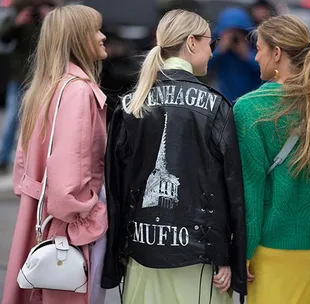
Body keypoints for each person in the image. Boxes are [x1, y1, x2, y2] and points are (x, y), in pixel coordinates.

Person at [101, 9, 246, 304]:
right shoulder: (216, 106)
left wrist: (117, 253)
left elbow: (114, 187)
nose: (211, 51)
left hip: (139, 250)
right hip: (199, 257)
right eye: (210, 43)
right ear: (192, 42)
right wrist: (229, 257)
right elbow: (230, 191)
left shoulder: (130, 103)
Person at [233, 15, 310, 304]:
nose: (255, 57)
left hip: (269, 257)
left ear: (277, 53)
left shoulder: (248, 110)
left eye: (260, 49)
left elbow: (249, 191)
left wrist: (245, 252)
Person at [2, 4, 108, 304]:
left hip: (39, 217)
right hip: (66, 227)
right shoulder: (78, 91)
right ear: (77, 39)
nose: (102, 37)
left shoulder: (45, 87)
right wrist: (89, 213)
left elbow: (24, 169)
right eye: (95, 31)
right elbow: (68, 176)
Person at [0, 0, 57, 174]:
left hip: (45, 74)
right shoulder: (17, 8)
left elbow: (63, 38)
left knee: (44, 119)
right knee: (12, 117)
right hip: (20, 74)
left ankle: (39, 160)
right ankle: (3, 159)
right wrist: (18, 23)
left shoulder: (55, 9)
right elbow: (3, 36)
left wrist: (51, 19)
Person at [208, 7, 261, 103]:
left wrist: (247, 55)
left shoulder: (255, 47)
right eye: (229, 33)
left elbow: (264, 70)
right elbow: (204, 66)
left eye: (238, 32)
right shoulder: (218, 49)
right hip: (224, 98)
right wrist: (219, 49)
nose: (234, 38)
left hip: (251, 99)